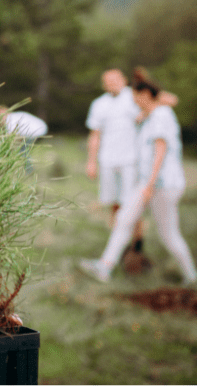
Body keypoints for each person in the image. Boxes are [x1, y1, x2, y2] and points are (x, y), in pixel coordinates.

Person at [80, 68, 196, 285]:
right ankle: (104, 268)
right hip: (149, 183)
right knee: (124, 219)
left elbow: (160, 151)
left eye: (136, 98)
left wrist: (149, 185)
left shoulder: (161, 115)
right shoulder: (149, 116)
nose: (134, 102)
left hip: (162, 185)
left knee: (168, 234)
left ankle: (191, 275)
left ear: (144, 96)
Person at [0, 106, 48, 173]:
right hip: (37, 130)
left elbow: (12, 138)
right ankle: (28, 169)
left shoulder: (10, 120)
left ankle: (29, 170)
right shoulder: (14, 116)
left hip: (34, 132)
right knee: (23, 150)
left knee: (23, 151)